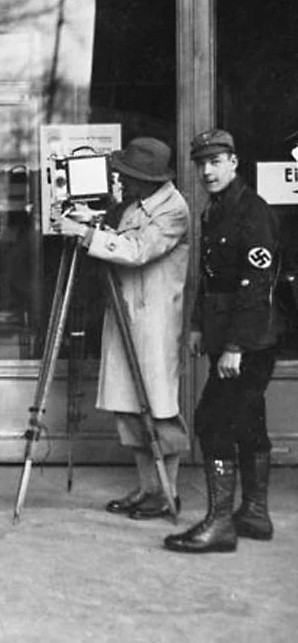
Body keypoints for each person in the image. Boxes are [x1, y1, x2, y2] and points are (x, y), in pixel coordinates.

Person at [55, 137, 190, 521]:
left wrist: (85, 235)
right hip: (127, 313)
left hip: (154, 322)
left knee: (158, 409)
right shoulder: (135, 203)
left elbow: (135, 251)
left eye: (128, 175)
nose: (122, 180)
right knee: (129, 408)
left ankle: (168, 492)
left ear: (147, 178)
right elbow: (119, 239)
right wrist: (93, 222)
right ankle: (148, 487)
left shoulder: (173, 210)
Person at [164, 129, 279, 553]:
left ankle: (219, 525)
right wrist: (197, 325)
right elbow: (211, 279)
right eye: (201, 164)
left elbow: (256, 287)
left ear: (234, 162)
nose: (207, 171)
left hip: (248, 344)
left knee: (212, 422)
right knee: (248, 423)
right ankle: (253, 514)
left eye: (216, 161)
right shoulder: (215, 211)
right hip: (227, 338)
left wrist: (235, 347)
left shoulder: (254, 213)